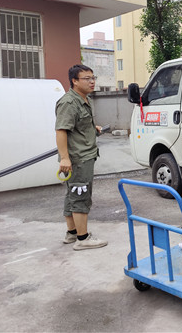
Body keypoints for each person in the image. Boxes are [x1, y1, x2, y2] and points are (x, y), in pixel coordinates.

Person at [55, 64, 107, 251]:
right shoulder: (69, 102)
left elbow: (78, 125)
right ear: (74, 81)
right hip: (78, 158)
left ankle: (72, 233)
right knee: (80, 195)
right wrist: (64, 158)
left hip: (82, 155)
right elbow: (61, 131)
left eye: (93, 78)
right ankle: (83, 238)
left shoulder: (84, 99)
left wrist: (93, 128)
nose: (92, 81)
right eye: (87, 78)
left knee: (73, 194)